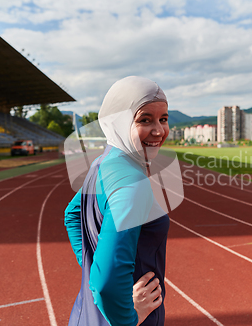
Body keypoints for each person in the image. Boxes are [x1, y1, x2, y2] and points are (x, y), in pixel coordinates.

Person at [64, 76, 172, 326]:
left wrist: (91, 266)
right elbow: (104, 286)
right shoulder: (132, 183)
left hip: (87, 314)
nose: (159, 131)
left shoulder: (104, 162)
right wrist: (128, 316)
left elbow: (72, 215)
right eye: (145, 119)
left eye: (163, 119)